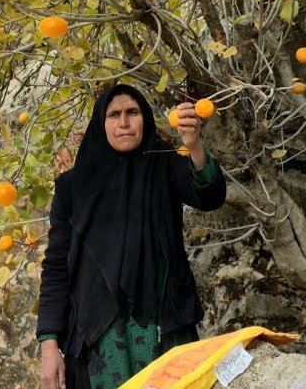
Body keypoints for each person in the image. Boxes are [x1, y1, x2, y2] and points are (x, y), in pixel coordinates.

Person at [36, 84, 227, 389]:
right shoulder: (72, 188)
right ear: (102, 123)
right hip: (97, 338)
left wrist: (194, 147)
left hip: (164, 327)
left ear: (145, 119)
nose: (123, 122)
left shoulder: (165, 164)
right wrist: (49, 344)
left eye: (132, 112)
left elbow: (210, 196)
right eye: (114, 115)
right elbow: (57, 266)